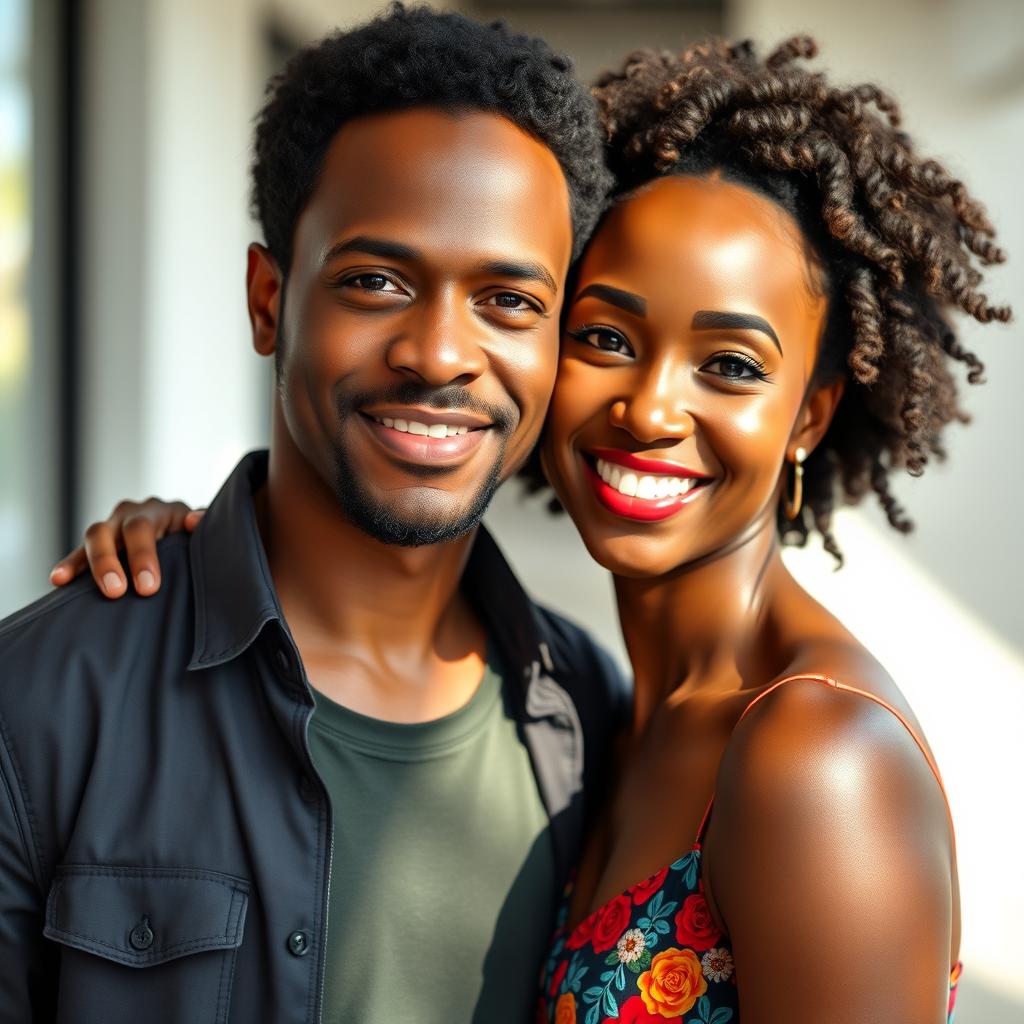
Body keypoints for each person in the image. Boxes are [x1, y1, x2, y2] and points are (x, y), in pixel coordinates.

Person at [76, 36, 1011, 1024]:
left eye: (729, 363)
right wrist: (201, 546)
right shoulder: (595, 714)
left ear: (810, 416)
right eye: (606, 338)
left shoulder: (814, 752)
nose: (649, 408)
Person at [0, 7, 628, 1023]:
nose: (437, 353)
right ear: (267, 300)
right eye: (375, 281)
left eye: (508, 300)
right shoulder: (37, 708)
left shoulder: (588, 711)